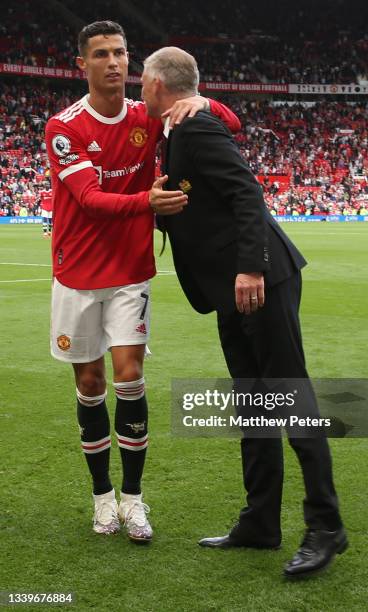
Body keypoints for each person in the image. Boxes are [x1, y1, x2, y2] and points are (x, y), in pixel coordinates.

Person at [142, 46, 348, 579]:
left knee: (291, 400)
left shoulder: (195, 127)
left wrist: (251, 268)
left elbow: (247, 194)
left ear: (161, 86)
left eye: (144, 80)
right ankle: (260, 522)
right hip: (231, 287)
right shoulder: (177, 129)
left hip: (261, 279)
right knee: (254, 404)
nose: (140, 89)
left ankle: (326, 526)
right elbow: (205, 203)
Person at [45, 21, 240, 542]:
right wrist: (147, 203)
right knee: (90, 384)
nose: (114, 62)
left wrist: (204, 103)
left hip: (130, 272)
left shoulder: (145, 117)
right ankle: (101, 498)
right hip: (77, 274)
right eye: (102, 54)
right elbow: (89, 200)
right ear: (82, 65)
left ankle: (132, 500)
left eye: (121, 53)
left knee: (129, 376)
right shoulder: (63, 127)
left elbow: (233, 122)